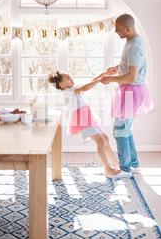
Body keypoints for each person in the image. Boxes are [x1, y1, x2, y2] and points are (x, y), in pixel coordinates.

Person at [100, 13, 154, 178]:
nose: (116, 32)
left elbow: (131, 76)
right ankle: (134, 164)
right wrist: (117, 68)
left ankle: (124, 169)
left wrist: (110, 79)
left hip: (130, 91)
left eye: (118, 30)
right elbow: (130, 66)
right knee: (126, 130)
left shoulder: (135, 45)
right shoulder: (131, 42)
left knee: (120, 131)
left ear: (128, 29)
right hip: (129, 91)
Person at [48, 70, 121, 177]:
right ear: (61, 84)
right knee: (100, 141)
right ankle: (107, 168)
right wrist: (101, 79)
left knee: (105, 138)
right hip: (81, 118)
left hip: (86, 115)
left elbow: (90, 82)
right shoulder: (67, 92)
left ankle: (116, 164)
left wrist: (105, 73)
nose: (71, 79)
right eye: (68, 78)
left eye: (70, 76)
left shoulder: (72, 89)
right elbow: (85, 88)